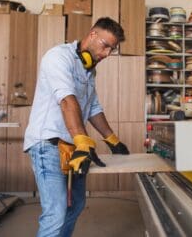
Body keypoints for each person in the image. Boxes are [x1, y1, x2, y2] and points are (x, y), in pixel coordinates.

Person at [24, 17, 130, 237]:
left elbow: (92, 108)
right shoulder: (58, 57)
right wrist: (83, 140)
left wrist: (113, 140)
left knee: (77, 204)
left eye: (112, 49)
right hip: (48, 144)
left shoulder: (89, 70)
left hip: (72, 146)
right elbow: (67, 100)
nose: (107, 54)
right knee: (56, 212)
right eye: (106, 46)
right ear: (92, 35)